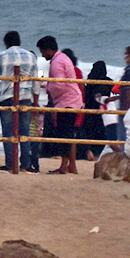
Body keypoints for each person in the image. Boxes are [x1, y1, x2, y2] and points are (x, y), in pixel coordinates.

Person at [0, 31, 42, 173]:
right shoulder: (31, 56)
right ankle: (25, 164)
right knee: (25, 132)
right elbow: (36, 82)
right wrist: (36, 103)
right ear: (19, 42)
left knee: (8, 133)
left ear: (6, 43)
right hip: (26, 98)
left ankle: (10, 164)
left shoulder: (0, 56)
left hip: (7, 98)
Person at [38, 36, 81, 175]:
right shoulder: (62, 58)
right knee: (68, 133)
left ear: (49, 50)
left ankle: (63, 166)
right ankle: (70, 166)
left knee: (64, 134)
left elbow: (59, 85)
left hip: (66, 101)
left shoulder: (57, 62)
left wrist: (48, 88)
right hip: (70, 100)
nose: (42, 55)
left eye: (43, 52)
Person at [82, 61, 111, 159]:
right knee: (101, 135)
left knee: (88, 133)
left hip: (88, 112)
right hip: (102, 115)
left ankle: (89, 153)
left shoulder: (90, 81)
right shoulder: (107, 82)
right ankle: (95, 155)